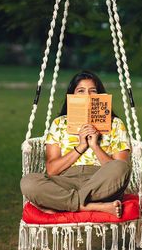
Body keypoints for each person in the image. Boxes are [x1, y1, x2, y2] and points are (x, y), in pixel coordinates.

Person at [20, 71, 132, 218]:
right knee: (28, 182)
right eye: (81, 91)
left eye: (93, 91)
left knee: (121, 166)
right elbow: (52, 170)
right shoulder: (59, 124)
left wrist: (94, 146)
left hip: (100, 182)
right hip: (65, 182)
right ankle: (90, 206)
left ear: (100, 96)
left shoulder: (115, 124)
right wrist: (80, 147)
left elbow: (119, 169)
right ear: (72, 96)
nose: (87, 96)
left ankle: (61, 204)